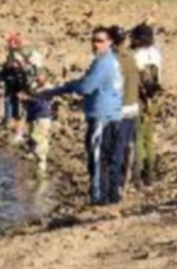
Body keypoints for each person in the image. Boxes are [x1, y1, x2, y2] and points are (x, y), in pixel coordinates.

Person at [41, 26, 124, 205]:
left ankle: (98, 197)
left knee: (97, 158)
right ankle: (111, 196)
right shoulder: (111, 60)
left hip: (102, 116)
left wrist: (67, 87)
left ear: (109, 42)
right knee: (109, 157)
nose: (95, 44)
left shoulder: (103, 63)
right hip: (113, 114)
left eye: (100, 41)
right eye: (93, 40)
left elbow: (86, 87)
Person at [131, 23, 162, 186]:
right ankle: (150, 173)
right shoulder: (156, 53)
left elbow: (140, 80)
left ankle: (137, 174)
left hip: (140, 98)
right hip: (154, 98)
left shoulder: (136, 56)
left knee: (137, 136)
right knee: (149, 138)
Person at [109, 25, 140, 193]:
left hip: (118, 109)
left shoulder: (112, 60)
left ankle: (115, 185)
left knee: (116, 147)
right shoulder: (131, 57)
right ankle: (124, 181)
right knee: (127, 145)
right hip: (132, 107)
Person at [0, 35, 30, 143]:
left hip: (15, 80)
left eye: (10, 43)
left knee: (10, 99)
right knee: (12, 99)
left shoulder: (17, 54)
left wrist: (3, 72)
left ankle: (10, 119)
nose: (8, 45)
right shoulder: (16, 54)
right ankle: (12, 118)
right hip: (14, 79)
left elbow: (16, 66)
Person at [21, 68, 53, 178]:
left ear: (45, 77)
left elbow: (40, 103)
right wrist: (24, 99)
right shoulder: (35, 88)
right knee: (33, 139)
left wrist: (28, 98)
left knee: (40, 142)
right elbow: (31, 102)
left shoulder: (48, 88)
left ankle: (41, 169)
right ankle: (37, 164)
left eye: (39, 76)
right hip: (34, 118)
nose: (36, 79)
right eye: (36, 76)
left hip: (42, 118)